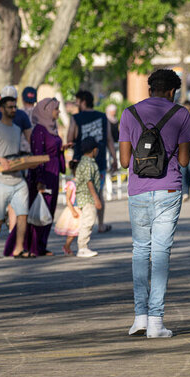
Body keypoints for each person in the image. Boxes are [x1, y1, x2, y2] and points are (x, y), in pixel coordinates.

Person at [119, 69, 190, 338]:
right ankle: (156, 322)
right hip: (169, 189)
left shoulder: (129, 114)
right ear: (172, 91)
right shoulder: (181, 114)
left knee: (140, 250)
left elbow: (124, 161)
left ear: (150, 88)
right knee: (160, 253)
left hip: (138, 190)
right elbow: (184, 161)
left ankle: (139, 318)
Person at [4, 98, 69, 257]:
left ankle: (41, 245)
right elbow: (38, 155)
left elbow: (54, 148)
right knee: (37, 211)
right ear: (46, 111)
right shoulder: (39, 130)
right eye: (56, 109)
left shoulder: (52, 128)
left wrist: (62, 149)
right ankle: (30, 246)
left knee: (48, 211)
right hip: (43, 173)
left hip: (52, 172)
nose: (58, 112)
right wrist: (39, 180)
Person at [67, 90, 118, 233]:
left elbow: (70, 139)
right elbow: (109, 139)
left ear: (83, 101)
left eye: (77, 101)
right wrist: (114, 158)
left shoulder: (76, 118)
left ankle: (79, 223)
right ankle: (101, 224)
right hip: (99, 160)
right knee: (99, 192)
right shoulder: (102, 117)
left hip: (80, 162)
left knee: (80, 191)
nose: (76, 104)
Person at [0, 96, 31, 259]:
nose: (13, 110)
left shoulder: (16, 129)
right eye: (9, 107)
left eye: (15, 107)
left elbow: (15, 152)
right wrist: (0, 160)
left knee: (22, 214)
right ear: (1, 109)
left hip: (17, 179)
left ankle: (18, 248)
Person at [75, 137, 103, 258]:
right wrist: (96, 199)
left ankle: (83, 246)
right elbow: (89, 182)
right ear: (94, 150)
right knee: (88, 222)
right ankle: (82, 248)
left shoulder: (84, 162)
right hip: (88, 198)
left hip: (84, 197)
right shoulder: (88, 163)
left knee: (86, 221)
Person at [54, 160, 81, 256]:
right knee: (73, 232)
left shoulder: (82, 182)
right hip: (74, 209)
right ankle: (67, 246)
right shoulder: (71, 184)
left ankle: (79, 247)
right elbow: (68, 199)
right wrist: (73, 210)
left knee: (81, 230)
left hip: (81, 209)